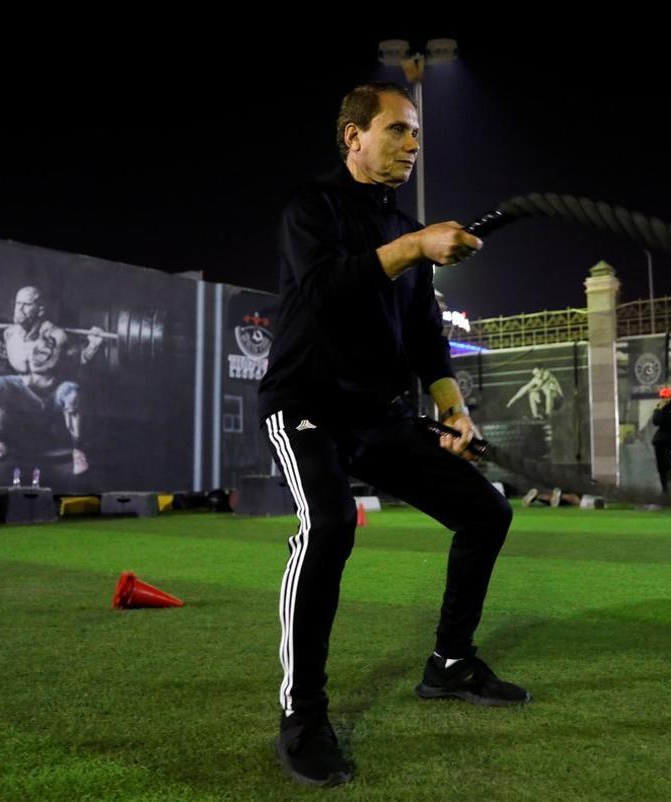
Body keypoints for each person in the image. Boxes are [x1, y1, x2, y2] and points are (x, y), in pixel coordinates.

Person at [257, 82, 528, 787]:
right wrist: (413, 246)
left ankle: (449, 663)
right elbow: (321, 291)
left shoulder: (401, 225)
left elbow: (422, 334)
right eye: (398, 130)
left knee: (485, 512)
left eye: (416, 135)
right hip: (306, 403)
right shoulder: (310, 208)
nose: (412, 144)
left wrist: (451, 404)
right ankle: (303, 715)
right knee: (329, 524)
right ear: (353, 137)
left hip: (379, 415)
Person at [0, 286, 104, 475]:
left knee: (72, 392)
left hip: (52, 393)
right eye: (18, 303)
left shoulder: (57, 336)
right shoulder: (10, 333)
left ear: (40, 310)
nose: (19, 309)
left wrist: (94, 345)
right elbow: (8, 355)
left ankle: (78, 450)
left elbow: (77, 362)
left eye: (26, 305)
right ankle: (2, 443)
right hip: (23, 393)